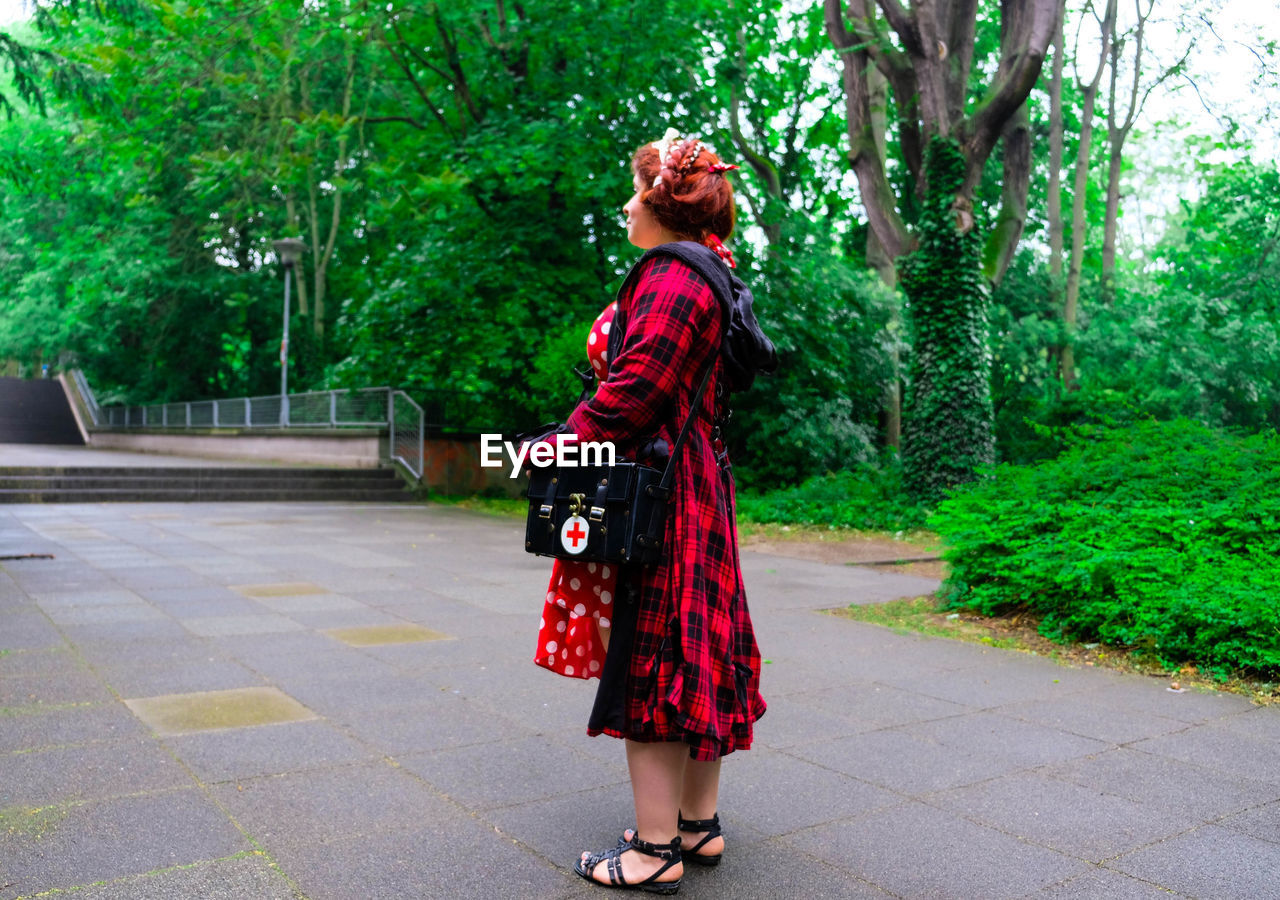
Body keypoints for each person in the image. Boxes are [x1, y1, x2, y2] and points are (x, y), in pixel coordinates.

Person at [533, 129, 768, 894]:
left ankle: (654, 850)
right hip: (698, 480)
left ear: (663, 202)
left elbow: (637, 395)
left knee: (658, 655)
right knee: (700, 647)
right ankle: (696, 829)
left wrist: (557, 445)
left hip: (666, 491)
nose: (625, 203)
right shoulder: (713, 274)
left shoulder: (672, 278)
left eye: (636, 191)